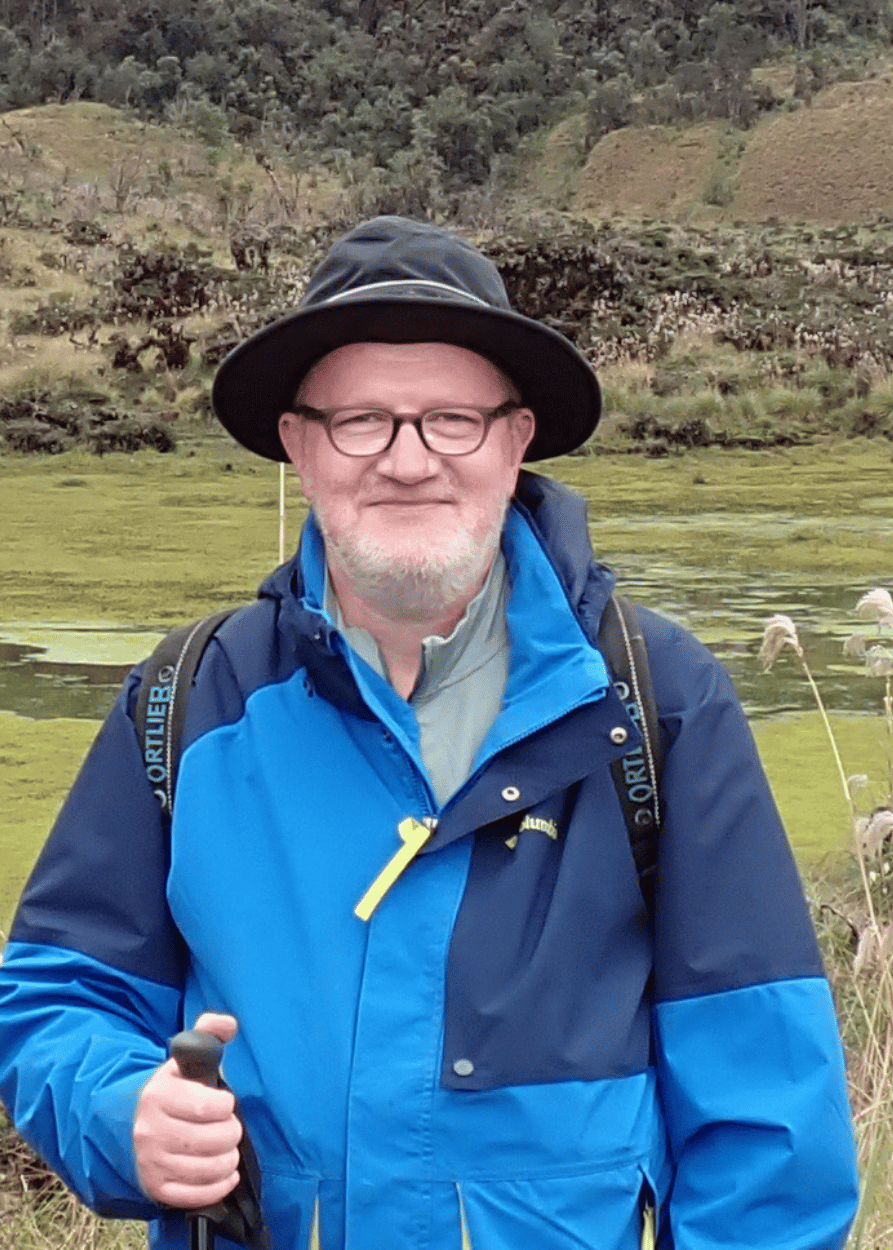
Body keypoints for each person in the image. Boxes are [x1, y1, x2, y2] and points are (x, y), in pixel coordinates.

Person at [0, 216, 859, 1250]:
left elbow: (766, 1123)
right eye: (360, 418)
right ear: (298, 443)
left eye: (450, 417)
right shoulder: (186, 702)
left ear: (513, 437)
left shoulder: (656, 703)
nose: (407, 461)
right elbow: (59, 994)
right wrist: (117, 1110)